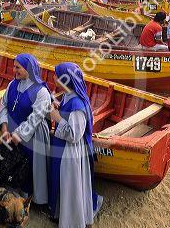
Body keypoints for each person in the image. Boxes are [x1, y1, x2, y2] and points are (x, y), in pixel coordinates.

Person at [49, 62, 103, 228]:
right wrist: (58, 105)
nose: (54, 78)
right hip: (63, 147)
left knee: (68, 184)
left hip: (70, 152)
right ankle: (59, 212)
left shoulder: (77, 105)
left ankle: (70, 218)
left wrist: (55, 116)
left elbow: (74, 135)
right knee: (61, 181)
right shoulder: (68, 96)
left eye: (56, 76)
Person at [0, 54, 51, 205]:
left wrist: (18, 134)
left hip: (31, 137)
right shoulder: (12, 85)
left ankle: (28, 198)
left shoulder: (41, 92)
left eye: (17, 67)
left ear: (28, 69)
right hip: (11, 133)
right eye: (13, 67)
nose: (14, 70)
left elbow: (36, 117)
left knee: (28, 166)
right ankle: (14, 193)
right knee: (12, 162)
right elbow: (4, 106)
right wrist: (5, 128)